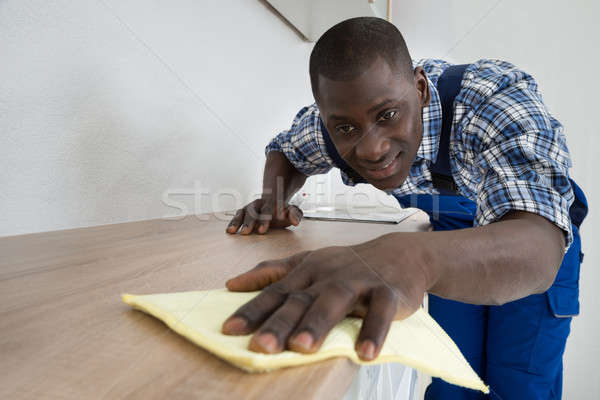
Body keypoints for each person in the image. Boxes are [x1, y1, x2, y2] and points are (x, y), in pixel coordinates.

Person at [220, 17, 587, 399]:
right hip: (449, 237)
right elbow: (287, 151)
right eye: (345, 129)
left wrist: (415, 258)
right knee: (451, 374)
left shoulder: (491, 100)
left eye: (388, 116)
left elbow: (539, 248)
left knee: (518, 384)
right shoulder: (336, 119)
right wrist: (274, 198)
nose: (371, 149)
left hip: (528, 236)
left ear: (421, 88)